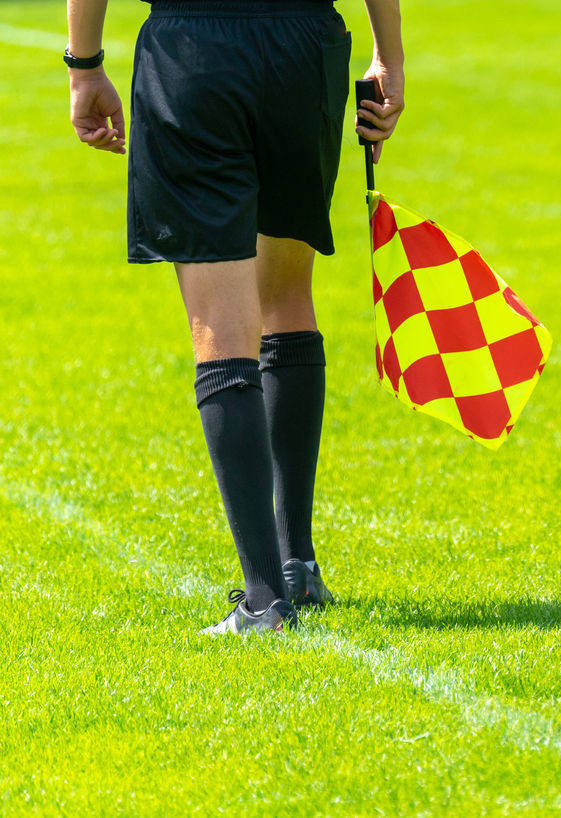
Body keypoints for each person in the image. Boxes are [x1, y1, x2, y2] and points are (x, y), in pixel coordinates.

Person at [66, 0, 405, 633]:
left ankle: (264, 600)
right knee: (287, 298)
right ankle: (297, 564)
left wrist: (83, 66)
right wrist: (390, 55)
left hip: (194, 49)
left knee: (222, 328)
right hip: (305, 47)